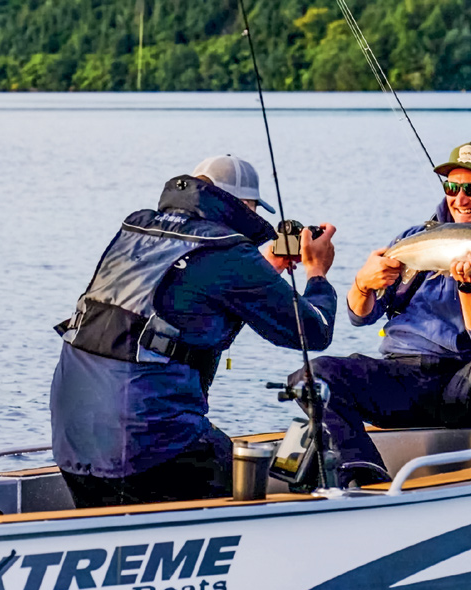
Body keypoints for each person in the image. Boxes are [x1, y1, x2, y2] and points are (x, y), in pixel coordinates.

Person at [50, 154, 337, 507]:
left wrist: (267, 268)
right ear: (244, 204)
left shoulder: (137, 230)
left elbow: (188, 300)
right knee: (258, 487)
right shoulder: (228, 251)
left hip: (72, 439)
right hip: (151, 442)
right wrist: (316, 272)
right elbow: (313, 332)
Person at [289, 141, 471, 487]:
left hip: (465, 385)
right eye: (452, 188)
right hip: (401, 378)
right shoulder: (414, 239)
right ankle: (363, 474)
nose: (460, 199)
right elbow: (361, 316)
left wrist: (469, 287)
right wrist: (362, 284)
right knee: (312, 375)